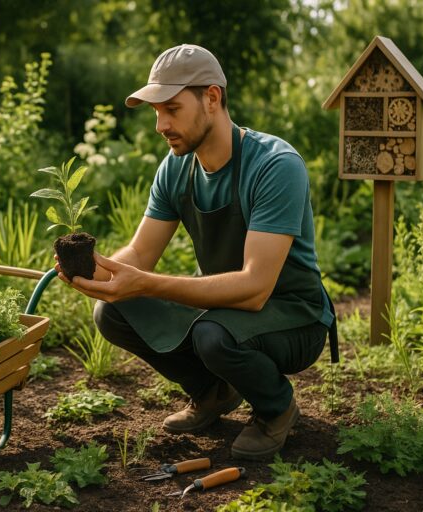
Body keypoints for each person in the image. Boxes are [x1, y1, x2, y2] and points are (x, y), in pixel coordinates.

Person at [58, 43, 338, 460]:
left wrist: (146, 284)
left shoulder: (275, 165)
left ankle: (276, 408)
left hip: (292, 314)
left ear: (212, 98)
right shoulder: (176, 167)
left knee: (213, 336)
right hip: (227, 309)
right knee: (113, 312)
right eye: (156, 112)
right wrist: (98, 271)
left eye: (171, 108)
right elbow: (140, 253)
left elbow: (255, 288)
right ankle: (213, 391)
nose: (160, 125)